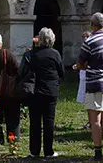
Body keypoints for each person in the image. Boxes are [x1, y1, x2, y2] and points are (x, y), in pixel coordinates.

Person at [76, 12, 103, 162]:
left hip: (95, 82)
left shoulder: (90, 41)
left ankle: (98, 153)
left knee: (95, 120)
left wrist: (86, 64)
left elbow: (80, 64)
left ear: (92, 25)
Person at [28, 27, 64, 159]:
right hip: (51, 91)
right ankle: (48, 151)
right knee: (49, 122)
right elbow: (62, 73)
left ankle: (34, 151)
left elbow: (29, 71)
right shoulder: (55, 54)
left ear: (40, 40)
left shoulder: (34, 54)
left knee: (35, 122)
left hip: (36, 91)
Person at [74, 31, 92, 129]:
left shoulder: (91, 48)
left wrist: (79, 66)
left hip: (89, 75)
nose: (85, 38)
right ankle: (90, 121)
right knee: (87, 100)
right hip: (83, 75)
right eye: (83, 37)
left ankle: (91, 122)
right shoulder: (84, 48)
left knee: (89, 99)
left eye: (87, 36)